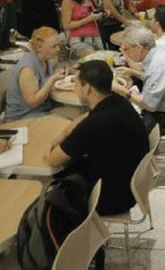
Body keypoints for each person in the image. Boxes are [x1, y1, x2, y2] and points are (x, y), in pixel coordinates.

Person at [46, 60, 148, 217]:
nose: (74, 88)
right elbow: (84, 117)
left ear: (87, 88)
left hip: (111, 198)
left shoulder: (95, 125)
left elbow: (53, 159)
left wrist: (56, 142)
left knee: (53, 186)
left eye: (76, 84)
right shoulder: (117, 101)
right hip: (129, 183)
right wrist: (63, 134)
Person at [114, 26, 165, 135]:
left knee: (118, 127)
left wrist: (122, 91)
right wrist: (134, 73)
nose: (125, 52)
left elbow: (149, 106)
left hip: (163, 117)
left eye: (126, 48)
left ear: (139, 48)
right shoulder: (157, 52)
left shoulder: (158, 65)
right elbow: (154, 77)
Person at [4, 27, 69, 122]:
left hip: (42, 109)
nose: (58, 49)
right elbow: (32, 102)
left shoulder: (45, 59)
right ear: (39, 47)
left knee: (80, 112)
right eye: (54, 46)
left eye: (58, 45)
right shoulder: (28, 69)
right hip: (24, 117)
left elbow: (44, 79)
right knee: (77, 116)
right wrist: (52, 80)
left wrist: (65, 71)